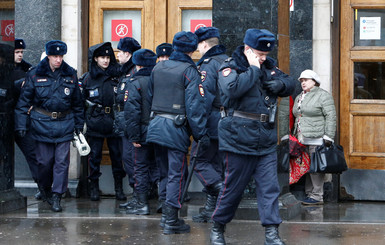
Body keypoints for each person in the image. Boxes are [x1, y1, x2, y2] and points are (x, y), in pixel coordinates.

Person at [210, 29, 296, 245]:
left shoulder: (268, 66)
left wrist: (281, 85)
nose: (264, 58)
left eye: (265, 55)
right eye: (259, 54)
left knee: (270, 188)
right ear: (247, 50)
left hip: (264, 140)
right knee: (232, 189)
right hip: (237, 139)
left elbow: (290, 82)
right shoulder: (230, 67)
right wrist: (254, 68)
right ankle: (218, 228)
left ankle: (271, 233)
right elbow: (232, 90)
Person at [147, 31, 209, 235]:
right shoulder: (189, 71)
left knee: (164, 172)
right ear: (192, 50)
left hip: (156, 125)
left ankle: (166, 217)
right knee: (177, 174)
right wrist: (200, 134)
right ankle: (172, 219)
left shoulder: (158, 67)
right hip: (175, 128)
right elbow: (194, 106)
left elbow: (149, 97)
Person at [15, 40, 84, 212]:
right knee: (44, 163)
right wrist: (21, 125)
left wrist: (78, 125)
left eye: (60, 56)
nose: (58, 60)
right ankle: (44, 187)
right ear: (48, 56)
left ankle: (57, 196)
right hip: (41, 124)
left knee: (62, 163)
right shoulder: (34, 74)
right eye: (55, 56)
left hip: (64, 123)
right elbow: (24, 103)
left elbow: (77, 103)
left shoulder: (70, 74)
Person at [80, 42, 126, 201]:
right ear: (95, 59)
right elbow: (80, 102)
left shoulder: (117, 76)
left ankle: (119, 188)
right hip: (95, 122)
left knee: (117, 156)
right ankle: (93, 187)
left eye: (108, 57)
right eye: (102, 57)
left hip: (114, 121)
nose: (105, 61)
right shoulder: (87, 79)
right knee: (94, 157)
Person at [191, 26, 228, 223]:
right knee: (216, 164)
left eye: (199, 45)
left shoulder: (208, 64)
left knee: (198, 161)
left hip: (212, 121)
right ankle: (213, 209)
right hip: (229, 122)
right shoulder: (228, 61)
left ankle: (221, 189)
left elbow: (203, 97)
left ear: (204, 44)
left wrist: (199, 125)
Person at [293, 69, 336, 205]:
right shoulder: (300, 96)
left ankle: (317, 196)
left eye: (306, 80)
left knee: (316, 168)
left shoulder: (323, 96)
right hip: (301, 137)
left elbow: (331, 116)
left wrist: (329, 136)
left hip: (317, 137)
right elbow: (297, 114)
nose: (303, 83)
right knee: (307, 167)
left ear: (315, 81)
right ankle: (309, 194)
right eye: (301, 81)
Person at [123, 49, 158, 215]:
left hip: (142, 130)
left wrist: (134, 135)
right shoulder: (160, 79)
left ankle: (142, 202)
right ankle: (162, 201)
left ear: (137, 64)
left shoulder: (135, 82)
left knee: (141, 167)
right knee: (159, 166)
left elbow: (132, 112)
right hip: (159, 129)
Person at [113, 37, 142, 208]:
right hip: (125, 123)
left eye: (120, 53)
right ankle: (137, 194)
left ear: (128, 54)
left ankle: (139, 195)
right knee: (129, 159)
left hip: (132, 124)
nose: (117, 56)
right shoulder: (123, 71)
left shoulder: (134, 73)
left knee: (132, 160)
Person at [12, 38, 41, 200]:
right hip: (6, 116)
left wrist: (32, 105)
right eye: (16, 52)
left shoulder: (29, 70)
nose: (20, 55)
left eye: (21, 52)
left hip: (23, 119)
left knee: (33, 154)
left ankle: (43, 186)